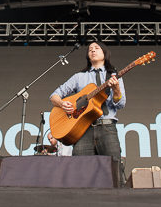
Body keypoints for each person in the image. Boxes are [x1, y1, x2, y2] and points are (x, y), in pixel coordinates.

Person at [50, 41, 125, 183]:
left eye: (97, 48)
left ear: (105, 53)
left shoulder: (114, 76)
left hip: (107, 128)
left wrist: (116, 90)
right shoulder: (79, 77)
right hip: (83, 130)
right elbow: (54, 96)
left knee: (114, 172)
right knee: (80, 173)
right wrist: (62, 103)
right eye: (90, 49)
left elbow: (120, 103)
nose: (93, 50)